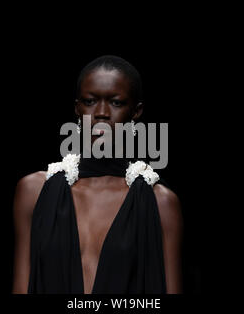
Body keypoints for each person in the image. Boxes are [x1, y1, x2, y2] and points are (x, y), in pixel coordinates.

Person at [12, 55, 183, 294]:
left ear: (136, 111)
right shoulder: (33, 191)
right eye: (90, 101)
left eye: (116, 102)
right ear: (77, 108)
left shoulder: (161, 202)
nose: (101, 113)